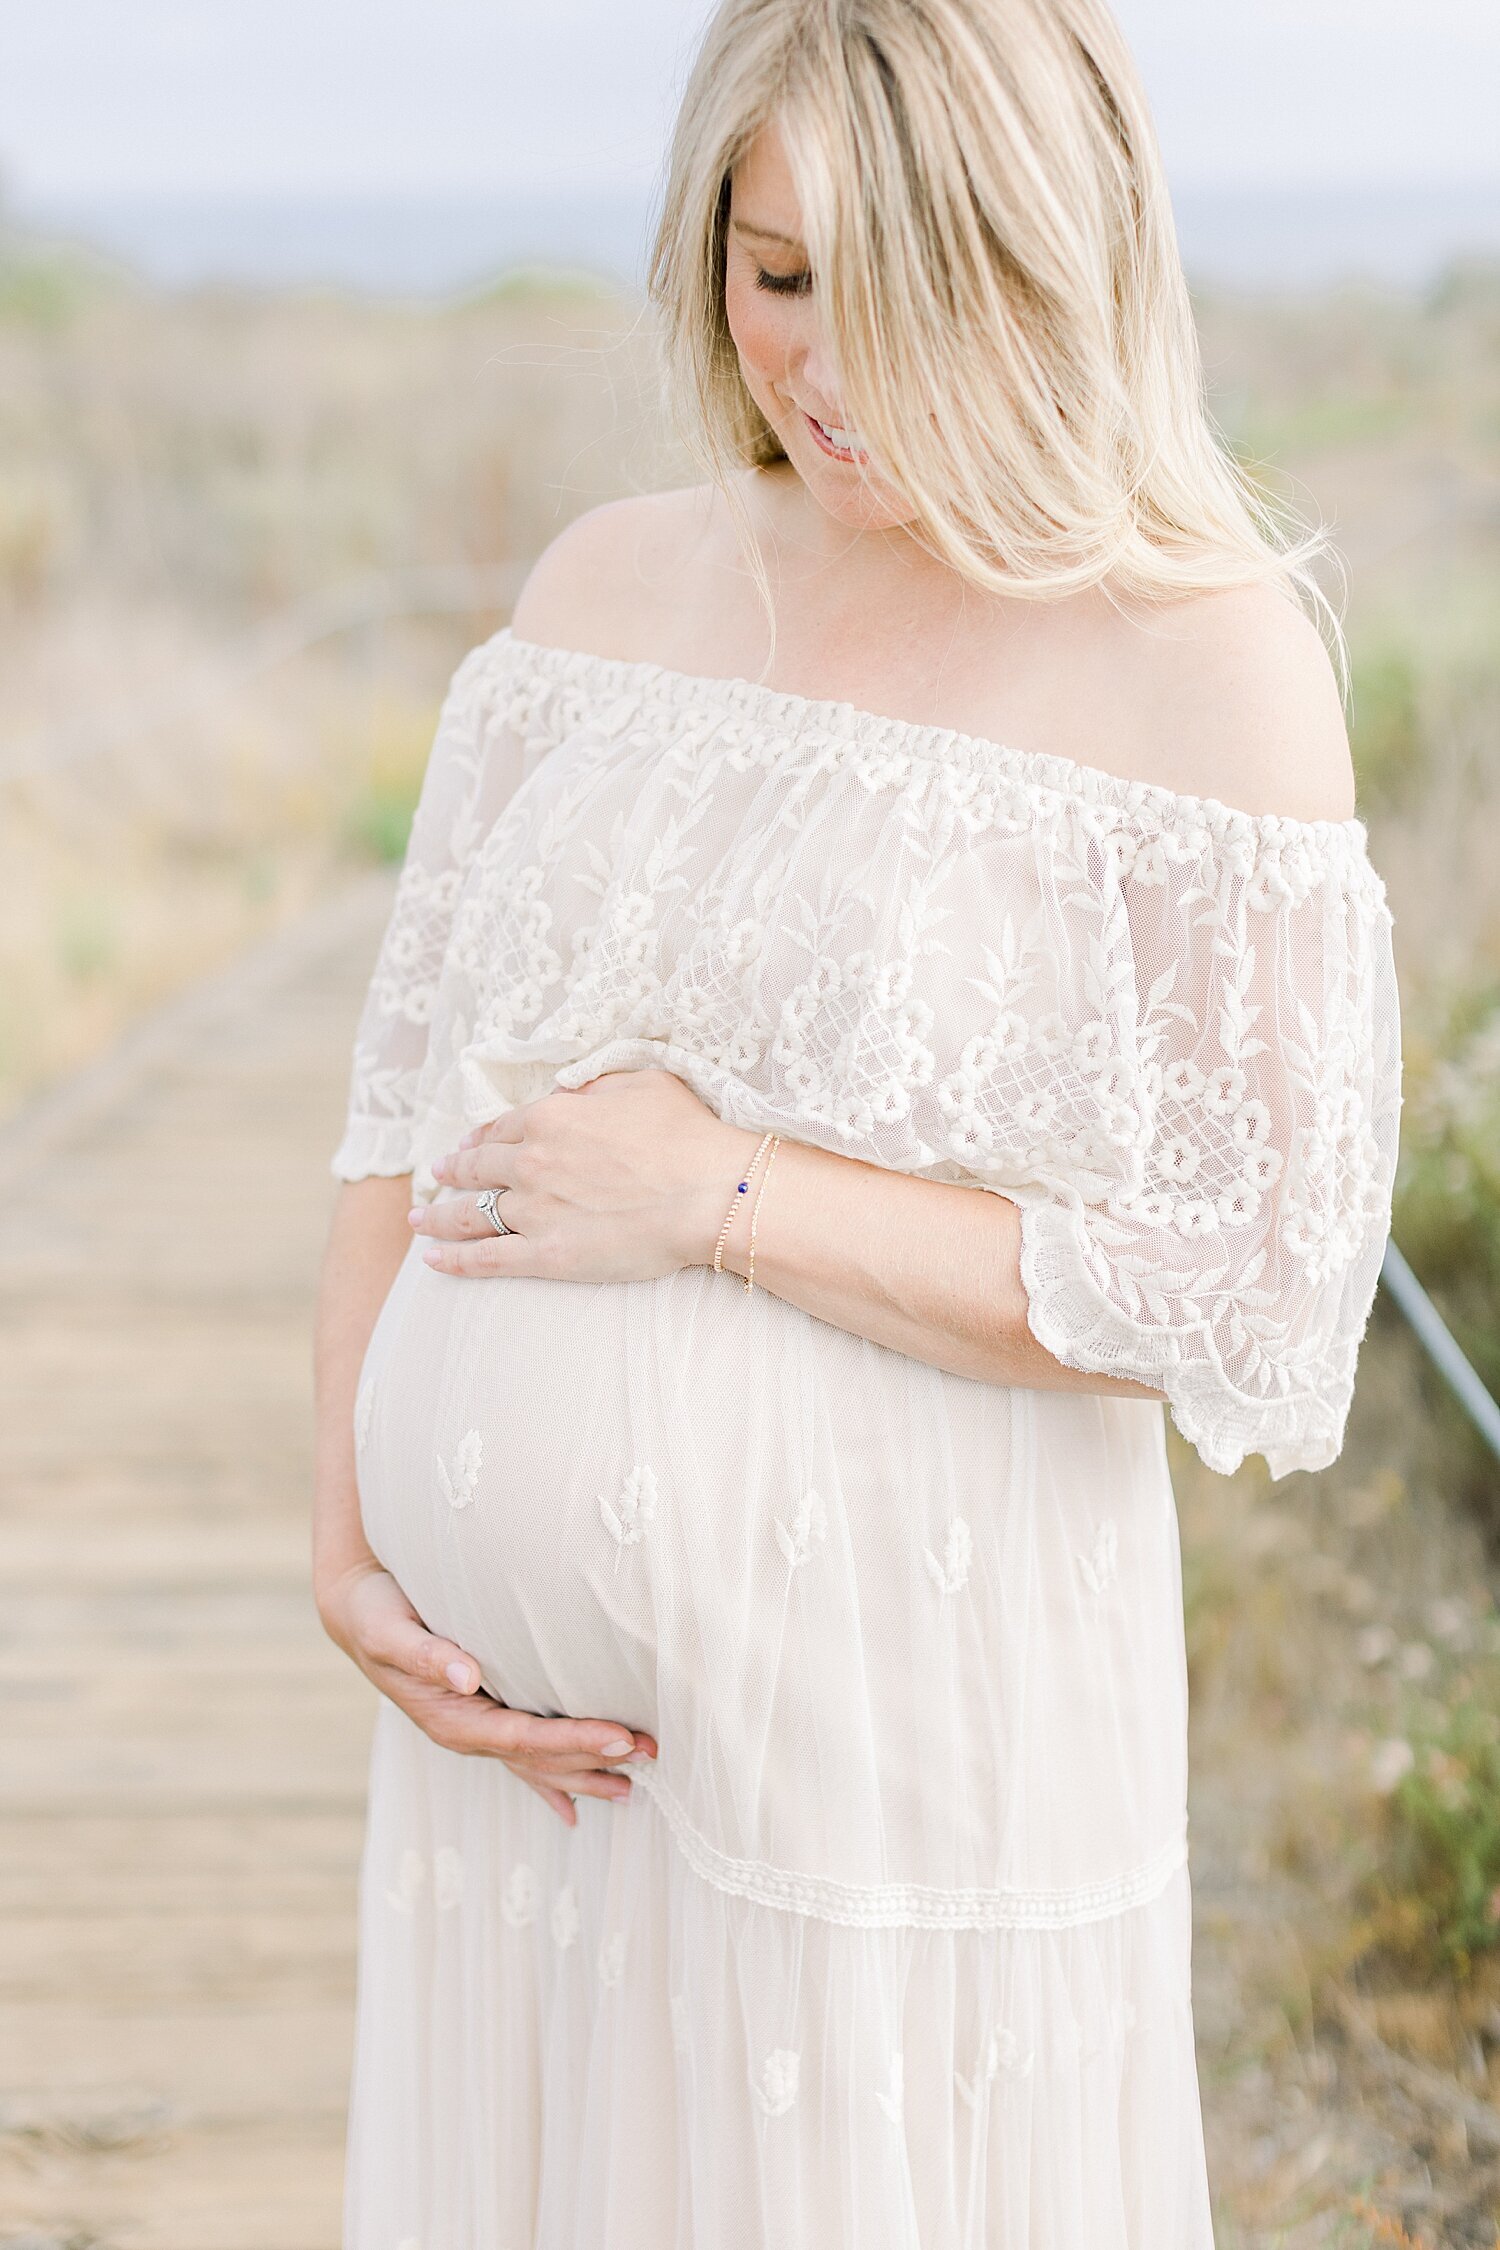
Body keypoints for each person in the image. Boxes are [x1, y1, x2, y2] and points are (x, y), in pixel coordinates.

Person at [312, 1, 1402, 2241]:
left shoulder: (1198, 659)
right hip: (521, 1791)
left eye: (899, 291)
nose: (820, 366)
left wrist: (721, 1199)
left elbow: (1259, 1293)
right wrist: (350, 1531)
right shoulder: (601, 586)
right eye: (776, 269)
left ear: (1054, 265)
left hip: (902, 1755)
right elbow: (404, 1091)